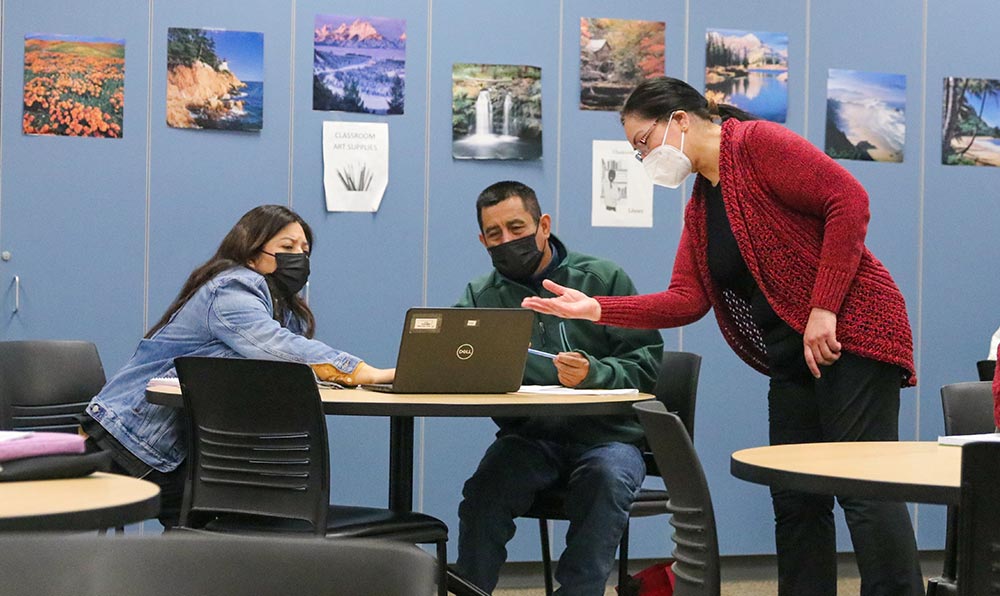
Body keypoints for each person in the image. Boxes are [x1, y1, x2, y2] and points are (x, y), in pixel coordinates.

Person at [521, 77, 924, 596]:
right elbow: (686, 299)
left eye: (643, 142)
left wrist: (824, 306)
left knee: (865, 492)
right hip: (794, 353)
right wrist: (597, 308)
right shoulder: (702, 202)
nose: (644, 158)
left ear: (680, 120)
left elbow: (848, 199)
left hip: (854, 331)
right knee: (795, 494)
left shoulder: (757, 144)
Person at [80, 204, 392, 528]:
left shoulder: (281, 307)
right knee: (239, 518)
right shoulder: (233, 286)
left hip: (183, 453)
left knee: (243, 515)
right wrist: (359, 371)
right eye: (286, 247)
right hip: (131, 440)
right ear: (251, 253)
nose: (299, 257)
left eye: (305, 250)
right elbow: (272, 344)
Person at [453, 181, 663, 596]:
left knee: (605, 480)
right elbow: (460, 364)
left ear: (543, 225)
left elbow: (647, 366)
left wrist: (594, 374)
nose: (507, 241)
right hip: (531, 438)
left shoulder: (603, 278)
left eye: (517, 227)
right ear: (482, 240)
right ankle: (470, 591)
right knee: (484, 491)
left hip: (610, 439)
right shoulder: (482, 295)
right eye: (494, 235)